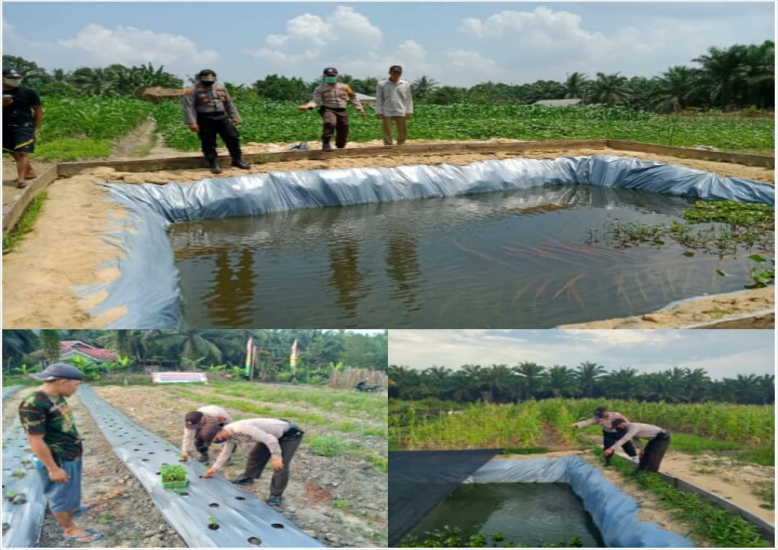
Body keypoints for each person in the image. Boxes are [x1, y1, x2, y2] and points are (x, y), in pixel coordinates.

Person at [18, 363, 102, 544]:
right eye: (76, 385)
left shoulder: (57, 397)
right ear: (63, 382)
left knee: (70, 487)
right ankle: (69, 529)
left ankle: (72, 508)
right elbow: (35, 440)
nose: (77, 389)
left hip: (69, 453)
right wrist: (53, 468)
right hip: (57, 458)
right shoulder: (34, 404)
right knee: (60, 493)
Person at [202, 418, 305, 507]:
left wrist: (276, 456)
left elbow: (271, 440)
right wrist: (214, 468)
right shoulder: (229, 436)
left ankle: (276, 495)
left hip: (289, 435)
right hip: (270, 435)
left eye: (215, 438)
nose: (216, 440)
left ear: (219, 431)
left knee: (280, 465)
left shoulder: (241, 428)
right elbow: (226, 452)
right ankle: (248, 477)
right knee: (255, 454)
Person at [182, 69, 251, 174]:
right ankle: (213, 164)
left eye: (212, 80)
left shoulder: (220, 87)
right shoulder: (191, 89)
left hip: (221, 116)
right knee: (208, 142)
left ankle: (237, 160)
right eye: (206, 80)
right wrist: (192, 122)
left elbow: (229, 103)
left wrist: (234, 116)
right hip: (204, 118)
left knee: (233, 137)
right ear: (200, 79)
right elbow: (188, 107)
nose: (209, 82)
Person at [298, 67, 366, 152]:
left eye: (332, 75)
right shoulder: (320, 88)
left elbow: (353, 98)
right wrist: (308, 106)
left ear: (337, 76)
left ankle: (340, 145)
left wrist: (360, 109)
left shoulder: (345, 87)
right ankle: (326, 143)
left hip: (342, 109)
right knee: (330, 123)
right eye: (328, 76)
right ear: (324, 77)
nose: (331, 77)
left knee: (344, 127)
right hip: (328, 109)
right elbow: (316, 100)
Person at [3, 67, 43, 188]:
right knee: (13, 151)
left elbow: (38, 110)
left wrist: (35, 127)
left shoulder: (28, 92)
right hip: (5, 126)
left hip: (23, 126)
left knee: (21, 152)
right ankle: (29, 172)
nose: (15, 80)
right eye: (11, 78)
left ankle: (21, 179)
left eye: (17, 78)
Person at [568, 406, 639, 466]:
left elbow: (627, 422)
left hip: (620, 431)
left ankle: (635, 458)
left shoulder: (616, 415)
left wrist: (631, 430)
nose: (600, 417)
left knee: (626, 444)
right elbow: (588, 421)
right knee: (608, 446)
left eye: (601, 415)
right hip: (608, 433)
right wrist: (576, 424)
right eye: (599, 415)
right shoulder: (597, 418)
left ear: (606, 412)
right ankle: (608, 461)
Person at [606, 418, 671, 473]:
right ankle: (640, 471)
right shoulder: (629, 429)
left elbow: (625, 438)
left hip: (662, 438)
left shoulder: (633, 427)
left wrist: (611, 448)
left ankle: (651, 474)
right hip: (654, 439)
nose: (618, 429)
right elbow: (636, 439)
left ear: (622, 424)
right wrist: (641, 449)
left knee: (653, 456)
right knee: (645, 454)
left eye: (618, 427)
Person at [375, 65, 413, 146]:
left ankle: (401, 145)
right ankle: (388, 145)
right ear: (389, 73)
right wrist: (379, 111)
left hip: (401, 110)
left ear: (401, 74)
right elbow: (379, 98)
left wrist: (409, 110)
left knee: (402, 130)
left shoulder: (405, 84)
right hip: (387, 110)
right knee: (387, 130)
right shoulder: (382, 84)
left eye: (398, 73)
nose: (396, 75)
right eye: (394, 73)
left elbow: (408, 98)